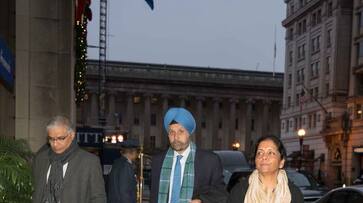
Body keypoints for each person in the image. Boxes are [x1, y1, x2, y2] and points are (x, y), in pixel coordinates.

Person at [150, 107, 227, 203]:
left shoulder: (209, 161)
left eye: (181, 131)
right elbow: (154, 196)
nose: (176, 137)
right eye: (172, 132)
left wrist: (202, 201)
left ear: (189, 133)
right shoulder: (158, 161)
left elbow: (221, 195)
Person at [32, 116, 106, 203]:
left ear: (72, 135)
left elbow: (98, 197)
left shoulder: (89, 162)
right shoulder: (41, 159)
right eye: (51, 139)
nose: (55, 144)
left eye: (60, 138)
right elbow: (35, 192)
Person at [227, 135, 303, 203]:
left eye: (270, 153)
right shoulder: (239, 191)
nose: (264, 157)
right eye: (260, 153)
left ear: (281, 162)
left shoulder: (294, 194)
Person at [107, 139, 140, 203]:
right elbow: (124, 191)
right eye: (137, 152)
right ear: (132, 152)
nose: (137, 155)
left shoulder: (116, 163)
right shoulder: (126, 166)